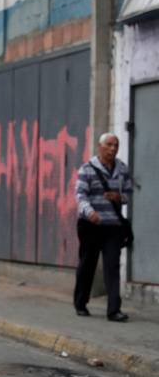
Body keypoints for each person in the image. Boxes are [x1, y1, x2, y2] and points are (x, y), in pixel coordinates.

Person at [73, 132, 134, 322]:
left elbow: (129, 193)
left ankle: (114, 310)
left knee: (112, 266)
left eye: (116, 145)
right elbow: (80, 195)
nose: (113, 149)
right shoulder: (87, 169)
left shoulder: (122, 169)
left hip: (113, 226)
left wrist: (120, 198)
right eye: (109, 145)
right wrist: (90, 212)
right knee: (87, 264)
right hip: (90, 225)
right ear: (100, 147)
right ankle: (81, 303)